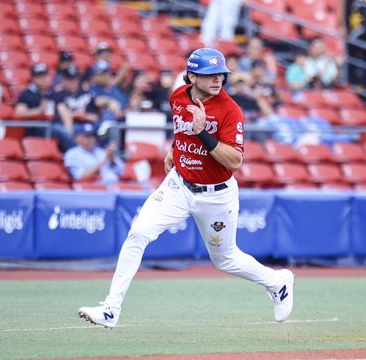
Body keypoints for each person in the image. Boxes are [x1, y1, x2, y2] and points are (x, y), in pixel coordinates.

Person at [78, 48, 294, 328]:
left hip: (216, 194)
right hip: (179, 185)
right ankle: (110, 309)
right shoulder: (178, 96)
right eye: (210, 74)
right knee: (138, 234)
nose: (217, 79)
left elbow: (235, 160)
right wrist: (175, 149)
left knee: (225, 259)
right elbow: (182, 130)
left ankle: (277, 282)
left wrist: (202, 132)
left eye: (221, 74)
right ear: (192, 76)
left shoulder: (230, 110)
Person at [14, 63, 75, 152]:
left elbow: (63, 110)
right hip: (37, 127)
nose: (44, 79)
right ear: (33, 78)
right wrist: (39, 110)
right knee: (58, 130)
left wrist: (69, 128)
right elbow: (19, 113)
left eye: (46, 76)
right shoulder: (26, 94)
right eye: (40, 77)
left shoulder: (52, 93)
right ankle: (75, 152)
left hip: (55, 124)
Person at [52, 65, 100, 136]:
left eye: (75, 79)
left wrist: (110, 102)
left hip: (90, 127)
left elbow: (95, 116)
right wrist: (79, 115)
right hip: (72, 127)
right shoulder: (58, 95)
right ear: (63, 80)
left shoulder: (86, 93)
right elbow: (60, 115)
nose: (73, 82)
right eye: (70, 79)